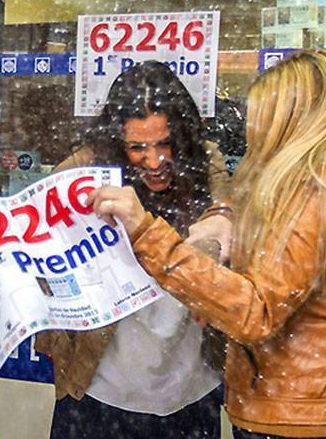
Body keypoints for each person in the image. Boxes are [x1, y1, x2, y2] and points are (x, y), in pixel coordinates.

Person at [90, 49, 326, 438]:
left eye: (265, 118)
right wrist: (223, 214)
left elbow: (254, 313)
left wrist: (146, 233)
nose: (256, 134)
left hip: (298, 417)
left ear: (300, 120)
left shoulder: (321, 190)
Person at [35, 60, 231, 439]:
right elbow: (38, 249)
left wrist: (213, 240)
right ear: (116, 143)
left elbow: (225, 221)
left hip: (190, 386)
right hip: (100, 385)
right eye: (137, 148)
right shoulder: (83, 170)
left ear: (182, 136)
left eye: (164, 144)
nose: (154, 162)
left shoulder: (205, 164)